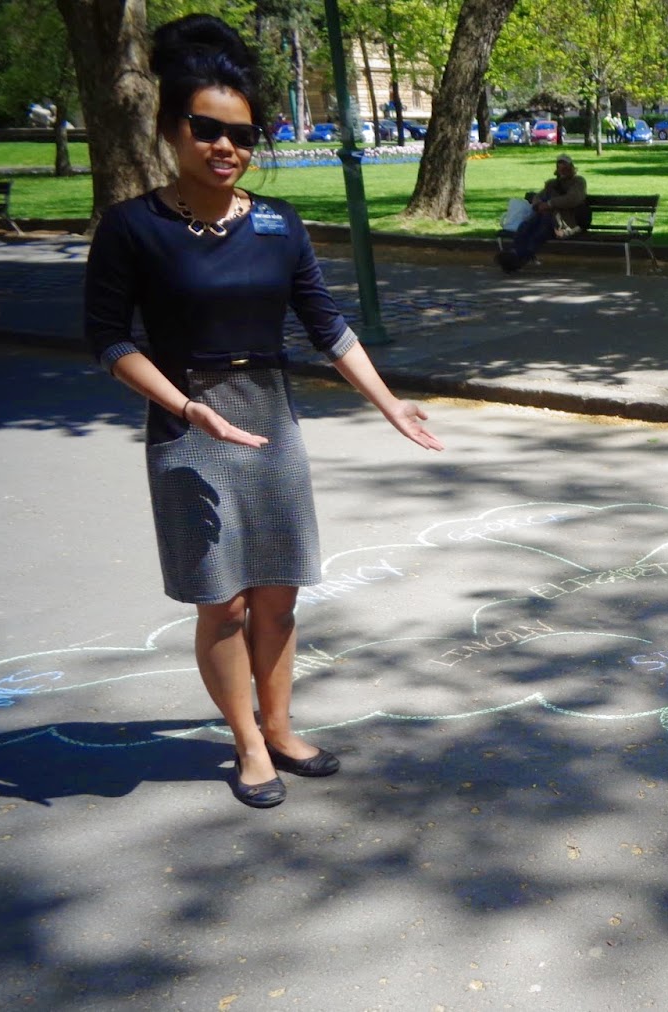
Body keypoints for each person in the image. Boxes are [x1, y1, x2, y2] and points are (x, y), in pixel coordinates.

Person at [82, 14, 444, 810]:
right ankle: (247, 743)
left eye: (242, 135)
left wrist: (390, 405)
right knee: (225, 601)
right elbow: (107, 338)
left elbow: (326, 324)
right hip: (188, 422)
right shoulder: (133, 227)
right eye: (207, 129)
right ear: (171, 128)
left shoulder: (279, 224)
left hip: (270, 416)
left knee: (278, 593)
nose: (226, 146)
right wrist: (186, 406)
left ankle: (279, 727)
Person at [497, 152, 589, 272]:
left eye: (565, 166)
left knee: (539, 233)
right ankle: (513, 253)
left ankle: (517, 258)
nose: (563, 169)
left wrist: (550, 204)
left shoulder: (578, 182)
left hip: (565, 222)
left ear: (571, 167)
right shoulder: (552, 183)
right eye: (560, 166)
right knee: (525, 227)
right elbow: (538, 196)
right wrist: (538, 204)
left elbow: (572, 199)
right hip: (545, 217)